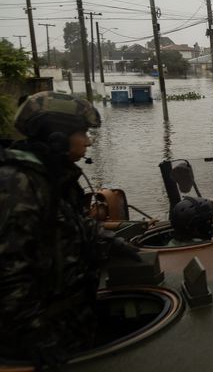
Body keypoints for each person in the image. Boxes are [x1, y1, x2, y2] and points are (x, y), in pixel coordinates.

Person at [0, 91, 135, 367]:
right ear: (57, 138)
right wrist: (33, 333)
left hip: (70, 321)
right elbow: (9, 271)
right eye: (82, 132)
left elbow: (69, 222)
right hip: (36, 339)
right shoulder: (17, 185)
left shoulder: (51, 176)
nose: (88, 140)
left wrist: (108, 241)